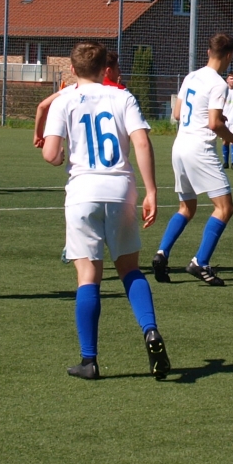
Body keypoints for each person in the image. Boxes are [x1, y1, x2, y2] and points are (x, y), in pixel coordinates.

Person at [41, 40, 171, 380]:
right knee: (130, 269)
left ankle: (90, 360)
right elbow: (141, 142)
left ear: (72, 69)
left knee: (88, 277)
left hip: (83, 192)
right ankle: (150, 330)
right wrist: (152, 191)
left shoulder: (64, 99)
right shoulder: (122, 97)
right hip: (120, 190)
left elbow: (51, 154)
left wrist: (58, 154)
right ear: (105, 69)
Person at [152, 33, 233, 287]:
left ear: (208, 52)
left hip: (179, 146)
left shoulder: (191, 76)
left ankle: (162, 253)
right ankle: (200, 262)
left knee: (187, 207)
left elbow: (176, 113)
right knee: (225, 208)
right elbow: (214, 124)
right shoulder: (218, 84)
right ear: (229, 55)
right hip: (199, 149)